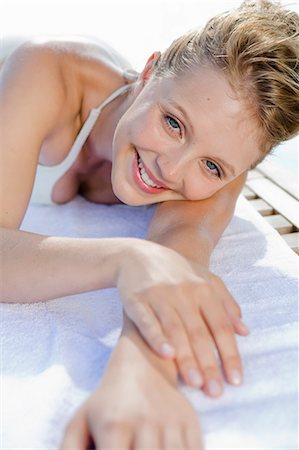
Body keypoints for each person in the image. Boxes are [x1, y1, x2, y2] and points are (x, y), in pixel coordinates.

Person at [1, 0, 298, 447]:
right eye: (174, 123)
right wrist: (126, 258)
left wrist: (141, 374)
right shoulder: (45, 70)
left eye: (213, 167)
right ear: (149, 72)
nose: (172, 169)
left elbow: (178, 263)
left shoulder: (220, 162)